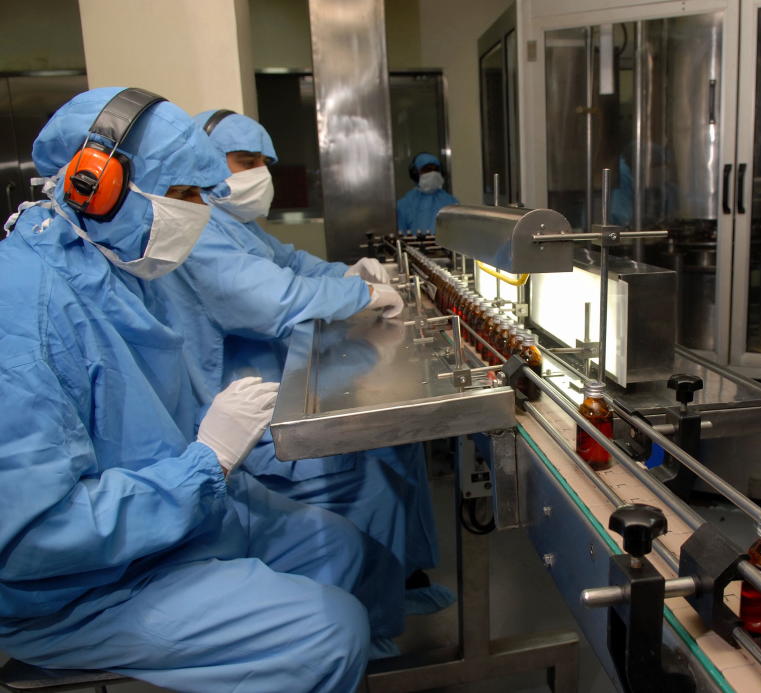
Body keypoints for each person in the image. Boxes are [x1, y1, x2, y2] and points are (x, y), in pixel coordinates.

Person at [0, 87, 370, 692]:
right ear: (97, 185)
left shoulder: (118, 269)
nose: (198, 214)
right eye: (183, 196)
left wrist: (216, 445)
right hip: (86, 588)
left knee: (336, 545)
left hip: (175, 526)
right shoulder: (20, 311)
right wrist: (207, 461)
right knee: (330, 631)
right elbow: (32, 539)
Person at [176, 110, 450, 618]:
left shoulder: (238, 227)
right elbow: (272, 297)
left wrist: (348, 271)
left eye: (264, 163)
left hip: (279, 380)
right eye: (246, 161)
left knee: (397, 444)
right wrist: (359, 294)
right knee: (370, 479)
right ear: (206, 162)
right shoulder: (197, 231)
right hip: (244, 412)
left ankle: (405, 576)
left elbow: (293, 264)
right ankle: (368, 613)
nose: (259, 174)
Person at [396, 152, 458, 235]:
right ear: (416, 174)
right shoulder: (404, 205)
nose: (432, 173)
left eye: (435, 170)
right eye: (427, 170)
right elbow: (401, 237)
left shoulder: (451, 202)